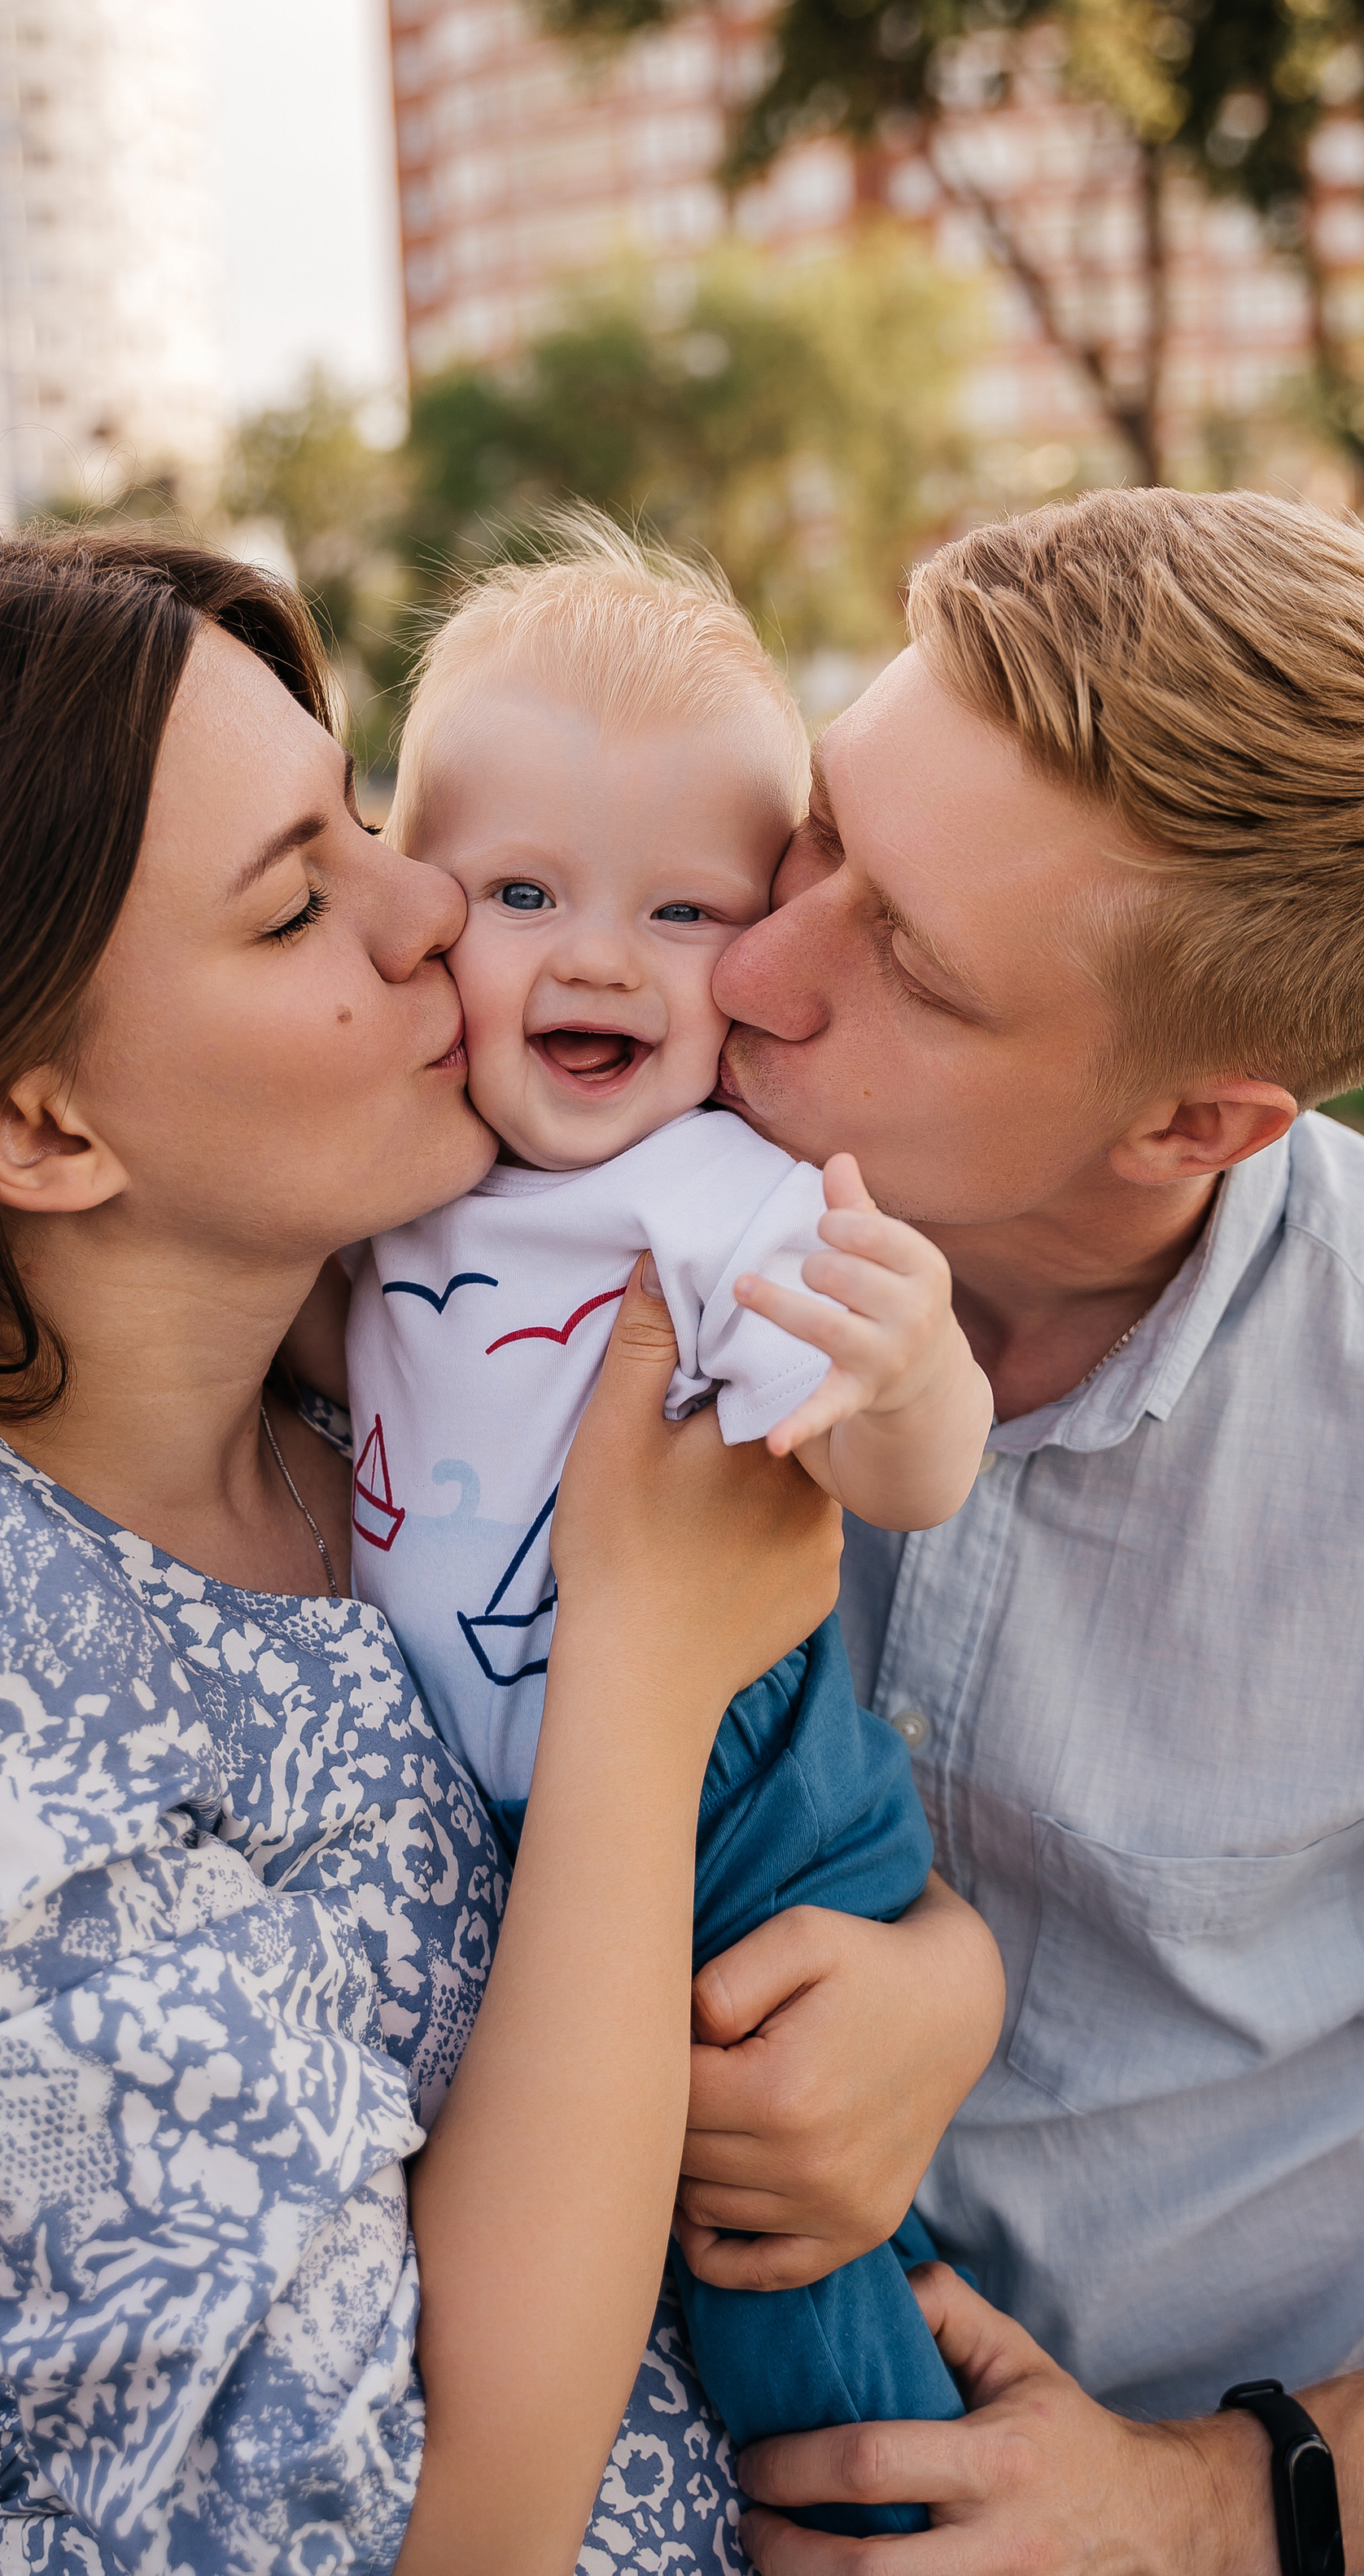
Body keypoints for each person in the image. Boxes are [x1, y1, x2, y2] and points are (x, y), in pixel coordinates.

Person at [0, 527, 996, 2576]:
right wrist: (642, 1688)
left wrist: (937, 1988)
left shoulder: (347, 1401)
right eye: (303, 893)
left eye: (371, 819)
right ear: (41, 1129)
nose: (430, 915)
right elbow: (435, 2526)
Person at [667, 490, 1364, 2575]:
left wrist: (1210, 2507)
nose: (748, 964)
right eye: (819, 831)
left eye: (904, 958)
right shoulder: (611, 1215)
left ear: (1195, 1122)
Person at [316, 532, 992, 2525]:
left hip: (741, 1812)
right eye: (523, 892)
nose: (598, 958)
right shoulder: (395, 1171)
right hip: (521, 1821)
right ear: (422, 904)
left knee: (765, 2251)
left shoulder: (721, 1195)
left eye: (684, 910)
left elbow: (906, 1480)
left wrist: (909, 1370)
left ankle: (886, 2519)